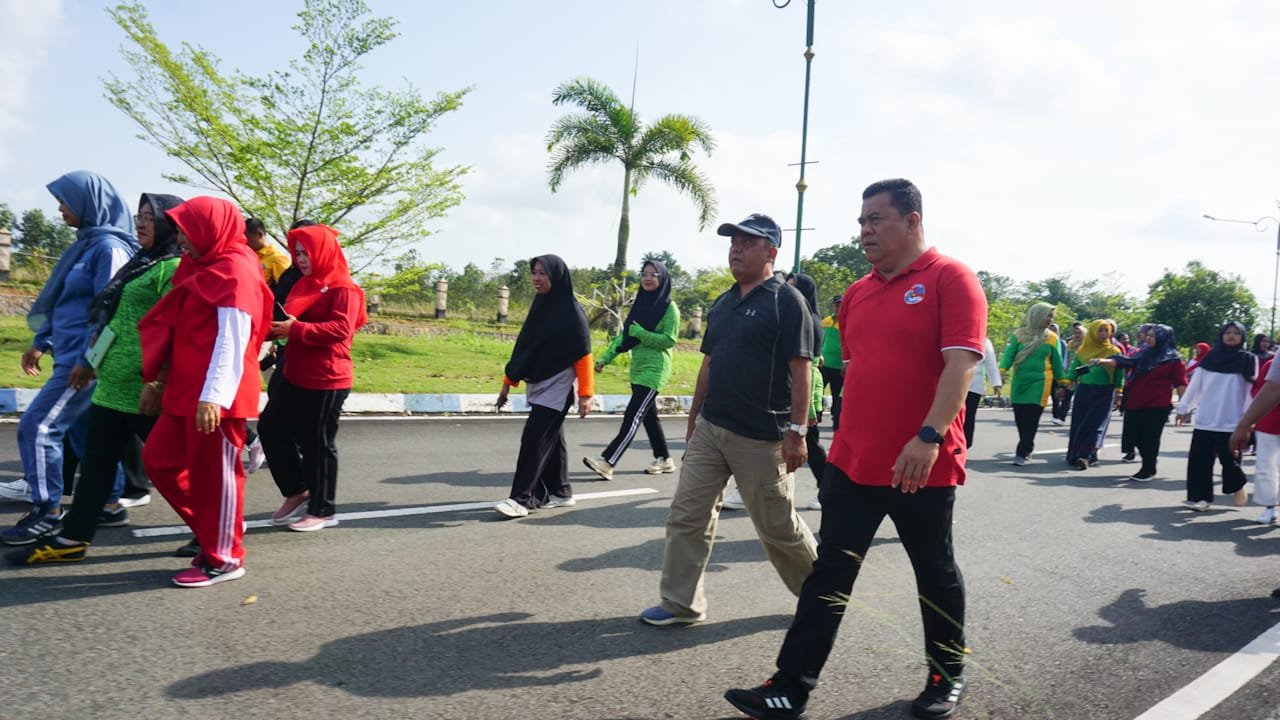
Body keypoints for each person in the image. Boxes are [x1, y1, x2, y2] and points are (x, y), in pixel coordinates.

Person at [725, 179, 986, 720]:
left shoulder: (950, 279)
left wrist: (929, 436)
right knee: (829, 575)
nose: (865, 230)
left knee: (933, 571)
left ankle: (946, 673)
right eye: (862, 220)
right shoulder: (860, 293)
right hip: (854, 462)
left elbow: (961, 366)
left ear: (913, 220)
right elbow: (854, 374)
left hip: (920, 463)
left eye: (877, 219)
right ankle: (790, 686)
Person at [639, 212, 817, 627]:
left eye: (747, 242)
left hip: (761, 437)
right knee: (687, 515)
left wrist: (798, 431)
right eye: (733, 241)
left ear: (771, 251)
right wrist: (695, 414)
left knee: (777, 526)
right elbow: (710, 363)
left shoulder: (786, 301)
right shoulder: (724, 301)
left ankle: (820, 599)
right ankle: (681, 604)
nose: (736, 248)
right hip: (711, 429)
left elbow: (803, 369)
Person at [5, 194, 185, 564]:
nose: (141, 223)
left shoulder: (173, 269)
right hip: (111, 385)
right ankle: (72, 539)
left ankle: (215, 533)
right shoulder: (140, 261)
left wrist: (158, 382)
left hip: (143, 388)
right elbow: (113, 319)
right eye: (139, 216)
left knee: (174, 466)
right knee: (97, 468)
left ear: (170, 222)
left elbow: (177, 331)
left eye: (151, 218)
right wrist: (90, 360)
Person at [137, 196, 273, 587]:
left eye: (185, 229)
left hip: (216, 395)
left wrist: (214, 396)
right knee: (159, 460)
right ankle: (221, 529)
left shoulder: (235, 269)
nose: (180, 238)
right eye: (178, 229)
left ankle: (225, 557)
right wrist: (159, 382)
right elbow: (179, 328)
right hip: (184, 387)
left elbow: (233, 339)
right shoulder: (198, 264)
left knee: (216, 477)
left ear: (209, 229)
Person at [1, 172, 137, 545]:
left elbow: (108, 312)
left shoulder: (109, 249)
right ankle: (109, 505)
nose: (60, 208)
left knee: (37, 426)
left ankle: (46, 510)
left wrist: (89, 361)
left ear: (88, 203)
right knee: (88, 435)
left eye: (66, 200)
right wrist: (42, 340)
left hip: (84, 363)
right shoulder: (85, 245)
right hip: (70, 357)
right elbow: (64, 299)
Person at [257, 222, 366, 531]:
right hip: (295, 372)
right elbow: (286, 321)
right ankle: (297, 490)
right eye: (298, 253)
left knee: (316, 443)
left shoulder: (344, 287)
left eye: (307, 253)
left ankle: (323, 509)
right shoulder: (303, 283)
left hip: (327, 377)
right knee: (271, 427)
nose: (302, 259)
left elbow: (340, 329)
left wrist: (296, 329)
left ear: (323, 251)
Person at [493, 255, 594, 518]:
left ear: (557, 276)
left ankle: (522, 498)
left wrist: (585, 395)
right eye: (534, 272)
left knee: (534, 440)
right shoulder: (541, 306)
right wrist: (508, 382)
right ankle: (561, 492)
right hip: (540, 384)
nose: (537, 278)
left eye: (543, 273)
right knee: (552, 438)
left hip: (558, 389)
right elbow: (526, 348)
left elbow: (583, 355)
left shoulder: (572, 313)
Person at [583, 259, 679, 480]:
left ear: (662, 278)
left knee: (632, 416)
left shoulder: (669, 307)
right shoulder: (640, 304)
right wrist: (605, 358)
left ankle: (608, 461)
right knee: (649, 417)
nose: (647, 278)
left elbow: (669, 340)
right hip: (638, 369)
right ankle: (664, 459)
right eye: (644, 274)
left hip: (655, 370)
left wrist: (642, 334)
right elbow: (625, 336)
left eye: (653, 275)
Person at [1176, 321, 1255, 511]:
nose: (1231, 336)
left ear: (1242, 337)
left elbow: (1250, 390)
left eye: (1236, 333)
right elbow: (1197, 385)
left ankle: (1237, 484)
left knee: (1230, 461)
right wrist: (1183, 408)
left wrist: (1248, 420)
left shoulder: (1247, 359)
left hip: (1232, 420)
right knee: (1199, 461)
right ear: (1221, 335)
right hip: (1206, 418)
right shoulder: (1210, 357)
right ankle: (1201, 499)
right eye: (1228, 332)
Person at [1097, 324, 1186, 481]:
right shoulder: (1143, 353)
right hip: (1135, 401)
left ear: (1163, 338)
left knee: (1150, 437)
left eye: (1153, 336)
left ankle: (1148, 468)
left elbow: (1180, 383)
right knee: (1134, 436)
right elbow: (1125, 362)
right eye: (1148, 335)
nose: (1148, 338)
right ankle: (1148, 461)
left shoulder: (1173, 359)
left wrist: (1183, 407)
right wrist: (1104, 361)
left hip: (1157, 404)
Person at [241, 217, 292, 473]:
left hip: (270, 327)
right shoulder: (246, 255)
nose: (243, 240)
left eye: (246, 236)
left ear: (259, 234)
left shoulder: (276, 258)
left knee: (254, 372)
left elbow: (287, 296)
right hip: (253, 325)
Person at [998, 302, 1066, 466]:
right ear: (1037, 316)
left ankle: (1022, 452)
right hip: (1020, 382)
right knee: (1020, 419)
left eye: (1052, 316)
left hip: (1040, 382)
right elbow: (1009, 355)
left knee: (1031, 418)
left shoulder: (1051, 338)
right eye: (1047, 316)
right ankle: (1028, 444)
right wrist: (1002, 370)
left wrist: (1062, 383)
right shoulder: (1018, 335)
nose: (1050, 319)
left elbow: (1056, 362)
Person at [788, 272, 830, 512]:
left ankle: (827, 491)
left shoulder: (811, 321)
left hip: (804, 397)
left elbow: (811, 370)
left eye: (793, 288)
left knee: (811, 447)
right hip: (792, 392)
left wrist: (812, 406)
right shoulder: (796, 318)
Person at [1065, 320, 1124, 470]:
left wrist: (1119, 392)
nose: (1104, 334)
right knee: (1080, 422)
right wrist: (1069, 380)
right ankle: (1075, 454)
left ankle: (1085, 455)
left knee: (1096, 424)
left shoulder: (1114, 351)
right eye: (1100, 330)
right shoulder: (1083, 350)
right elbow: (1075, 368)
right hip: (1084, 390)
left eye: (1106, 331)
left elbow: (1119, 373)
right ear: (1092, 332)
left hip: (1104, 391)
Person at [1231, 357, 1280, 524]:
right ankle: (1270, 507)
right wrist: (1246, 423)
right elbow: (1264, 390)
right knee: (1266, 468)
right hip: (1268, 421)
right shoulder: (1270, 364)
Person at [964, 337, 1002, 448]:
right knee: (960, 418)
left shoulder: (983, 340)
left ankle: (965, 444)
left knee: (968, 417)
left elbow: (990, 362)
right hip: (954, 384)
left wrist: (996, 383)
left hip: (973, 386)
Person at [820, 295, 845, 429]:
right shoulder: (826, 321)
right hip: (824, 364)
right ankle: (815, 416)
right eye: (837, 305)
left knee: (836, 395)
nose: (838, 308)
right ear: (833, 306)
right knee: (817, 391)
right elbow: (820, 340)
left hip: (838, 366)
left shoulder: (847, 322)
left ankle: (836, 421)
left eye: (841, 304)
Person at [1051, 322, 1084, 426]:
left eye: (1079, 333)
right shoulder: (1070, 344)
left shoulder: (1087, 345)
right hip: (1071, 373)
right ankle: (1061, 417)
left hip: (1083, 375)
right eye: (1075, 333)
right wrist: (1064, 370)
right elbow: (1067, 358)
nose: (1077, 335)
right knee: (1067, 396)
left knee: (1080, 400)